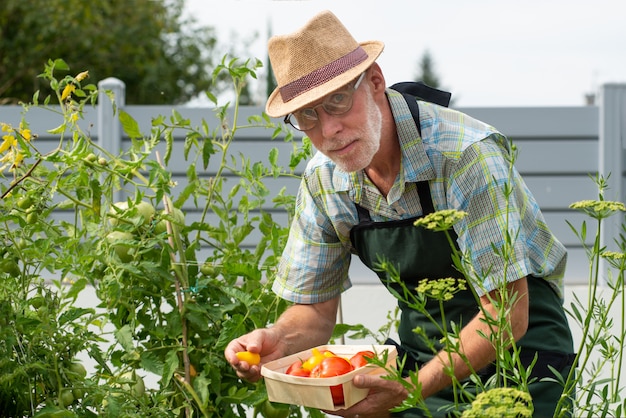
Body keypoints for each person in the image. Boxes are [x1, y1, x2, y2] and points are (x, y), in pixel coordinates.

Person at [224, 10, 575, 418]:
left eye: (337, 101)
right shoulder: (324, 181)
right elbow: (316, 309)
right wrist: (277, 340)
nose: (328, 130)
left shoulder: (464, 156)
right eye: (307, 116)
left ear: (374, 82)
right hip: (422, 356)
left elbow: (506, 315)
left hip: (522, 358)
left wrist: (410, 390)